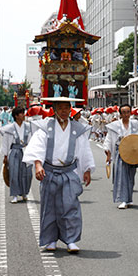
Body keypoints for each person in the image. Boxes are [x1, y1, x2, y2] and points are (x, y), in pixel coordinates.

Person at [22, 97, 94, 253]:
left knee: (71, 205)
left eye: (66, 107)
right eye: (60, 108)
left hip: (69, 171)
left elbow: (84, 150)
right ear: (54, 109)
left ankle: (71, 240)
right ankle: (50, 239)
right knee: (49, 207)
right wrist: (38, 164)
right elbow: (37, 147)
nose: (63, 111)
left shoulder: (78, 128)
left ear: (70, 109)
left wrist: (87, 169)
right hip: (50, 172)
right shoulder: (45, 127)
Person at [103, 104, 138, 209]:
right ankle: (122, 199)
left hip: (133, 152)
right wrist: (108, 154)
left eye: (128, 112)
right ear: (120, 114)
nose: (126, 114)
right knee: (121, 175)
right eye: (124, 112)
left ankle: (129, 198)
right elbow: (108, 140)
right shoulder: (114, 126)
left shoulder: (136, 125)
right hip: (120, 152)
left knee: (131, 176)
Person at [1, 106, 33, 203]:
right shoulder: (10, 128)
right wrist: (5, 156)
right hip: (14, 152)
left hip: (25, 151)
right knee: (14, 173)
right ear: (16, 116)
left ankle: (24, 193)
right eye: (21, 113)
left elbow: (31, 140)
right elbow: (6, 142)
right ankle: (14, 195)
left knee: (27, 173)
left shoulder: (28, 126)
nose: (23, 115)